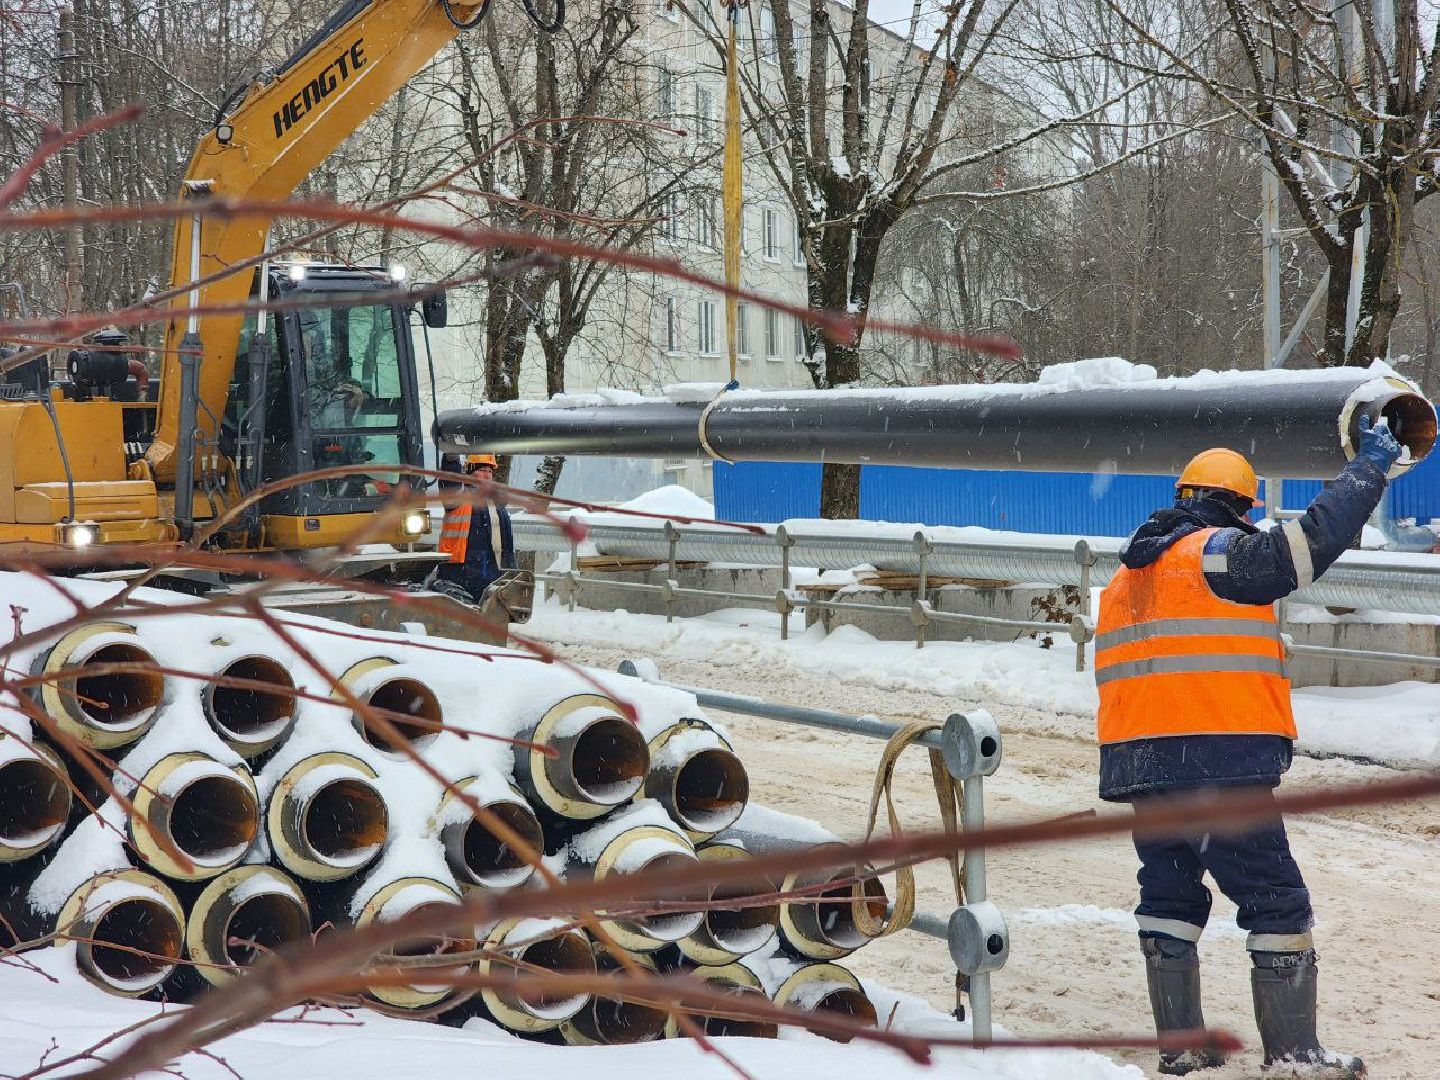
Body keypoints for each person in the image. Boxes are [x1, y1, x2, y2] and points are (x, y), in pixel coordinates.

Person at [1096, 416, 1404, 1079]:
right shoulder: (1212, 553)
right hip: (1213, 761)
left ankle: (1180, 1044)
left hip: (1143, 766)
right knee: (1277, 902)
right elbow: (1307, 545)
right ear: (1240, 506)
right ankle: (1295, 1056)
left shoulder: (1129, 577)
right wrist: (1370, 465)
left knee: (1171, 902)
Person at [434, 453, 515, 604]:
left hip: (491, 577)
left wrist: (511, 573)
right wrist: (451, 457)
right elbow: (450, 480)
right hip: (459, 576)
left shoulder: (497, 505)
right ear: (470, 471)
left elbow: (507, 546)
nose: (487, 475)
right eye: (483, 469)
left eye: (490, 471)